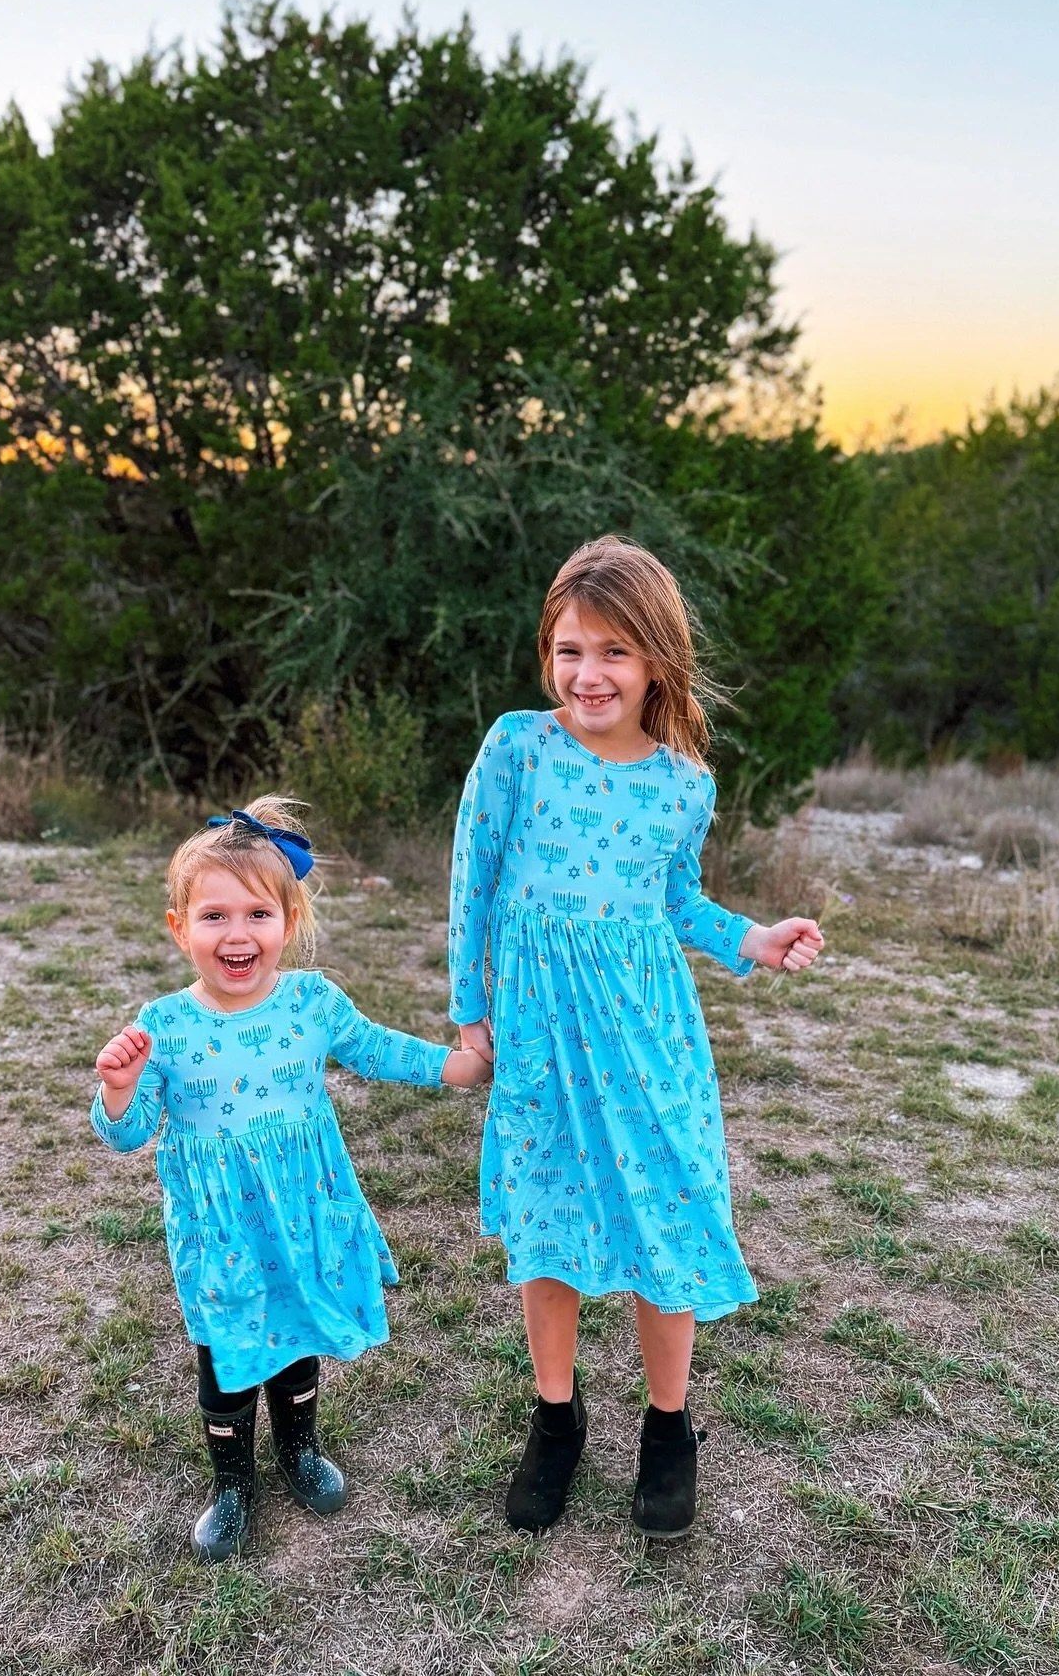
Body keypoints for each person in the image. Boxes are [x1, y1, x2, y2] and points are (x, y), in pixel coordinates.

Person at [448, 537, 823, 1539]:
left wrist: (752, 937)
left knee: (666, 1217)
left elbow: (677, 903)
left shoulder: (681, 782)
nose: (589, 673)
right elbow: (472, 880)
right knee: (550, 1223)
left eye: (614, 652)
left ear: (656, 657)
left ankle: (667, 1428)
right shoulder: (517, 749)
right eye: (570, 650)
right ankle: (556, 1417)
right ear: (547, 655)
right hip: (538, 1033)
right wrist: (468, 1008)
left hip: (648, 1033)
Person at [92, 797, 491, 1562]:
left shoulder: (312, 1002)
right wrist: (118, 1088)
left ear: (290, 917)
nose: (237, 934)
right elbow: (129, 1133)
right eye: (213, 917)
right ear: (180, 929)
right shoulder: (164, 1024)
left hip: (303, 1209)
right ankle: (233, 1483)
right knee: (227, 1357)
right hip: (219, 1229)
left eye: (257, 914)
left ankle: (299, 1450)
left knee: (297, 1335)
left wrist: (459, 1066)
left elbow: (375, 1050)